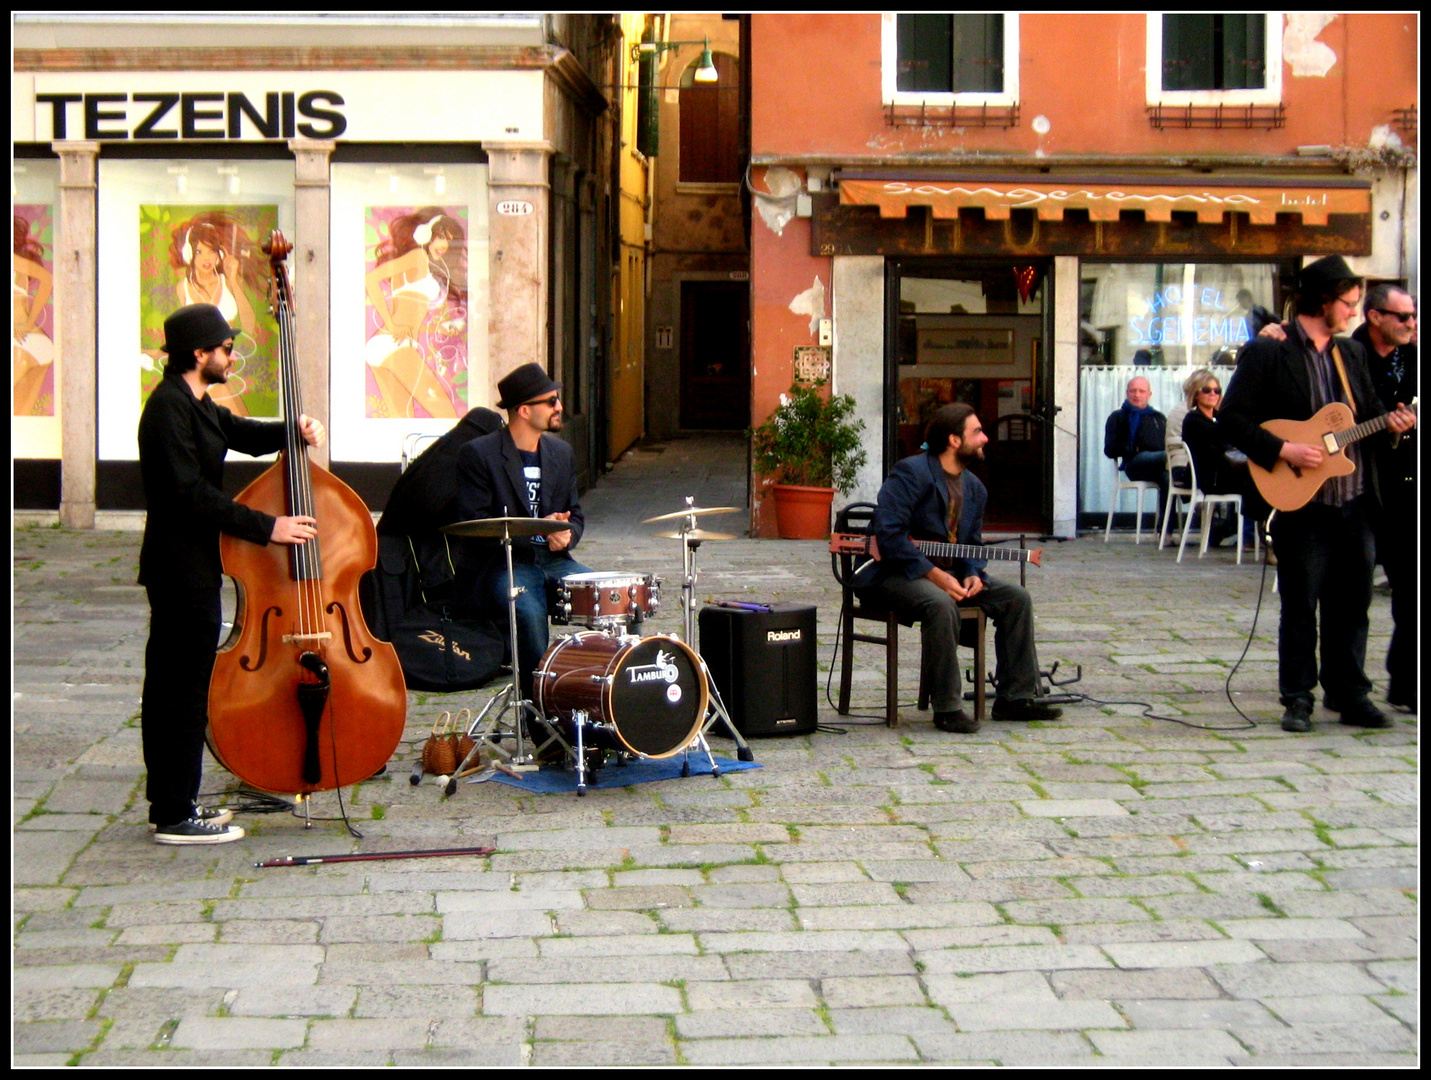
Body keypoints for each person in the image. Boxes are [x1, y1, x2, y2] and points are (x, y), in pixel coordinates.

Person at [137, 304, 325, 844]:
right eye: (224, 348)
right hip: (178, 568)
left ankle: (177, 800)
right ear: (199, 355)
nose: (230, 355)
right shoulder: (167, 409)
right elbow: (191, 495)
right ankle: (172, 813)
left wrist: (294, 428)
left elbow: (242, 432)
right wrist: (271, 527)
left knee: (188, 684)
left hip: (197, 565)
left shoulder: (198, 403)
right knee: (179, 688)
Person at [1219, 256, 1416, 733]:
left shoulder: (1349, 355)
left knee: (1353, 605)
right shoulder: (1271, 351)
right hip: (1303, 503)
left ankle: (1350, 694)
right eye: (1348, 303)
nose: (1353, 312)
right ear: (1323, 301)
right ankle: (1298, 696)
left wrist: (1392, 426)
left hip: (1357, 499)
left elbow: (1366, 415)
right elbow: (1232, 418)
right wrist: (1284, 447)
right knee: (1301, 604)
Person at [853, 402, 1062, 734]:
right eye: (977, 432)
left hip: (947, 576)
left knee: (1016, 599)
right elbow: (889, 536)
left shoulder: (975, 489)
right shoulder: (911, 472)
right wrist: (935, 575)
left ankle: (1015, 699)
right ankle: (948, 708)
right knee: (940, 602)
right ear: (953, 439)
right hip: (891, 574)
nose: (985, 439)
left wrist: (973, 573)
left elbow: (973, 545)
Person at [454, 362, 591, 697]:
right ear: (525, 410)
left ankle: (601, 702)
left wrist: (566, 533)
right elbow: (473, 524)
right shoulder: (479, 454)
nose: (560, 407)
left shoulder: (561, 452)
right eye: (551, 401)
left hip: (553, 559)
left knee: (616, 597)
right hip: (503, 563)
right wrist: (532, 529)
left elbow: (575, 514)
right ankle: (537, 710)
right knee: (528, 613)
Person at [1353, 284, 1417, 712]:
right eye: (1403, 317)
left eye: (1414, 316)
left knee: (1412, 587)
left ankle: (1407, 682)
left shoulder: (1413, 356)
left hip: (1406, 486)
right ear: (1375, 317)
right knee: (1351, 594)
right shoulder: (1345, 354)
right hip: (1356, 484)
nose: (1411, 324)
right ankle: (1347, 687)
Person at [364, 207, 467, 420]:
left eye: (449, 240)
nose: (444, 245)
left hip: (387, 346)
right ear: (427, 235)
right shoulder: (418, 256)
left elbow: (410, 311)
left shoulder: (424, 264)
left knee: (402, 422)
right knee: (446, 415)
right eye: (440, 237)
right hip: (393, 344)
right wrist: (391, 325)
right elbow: (370, 279)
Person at [1178, 372, 1263, 547]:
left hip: (1223, 474)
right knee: (1259, 483)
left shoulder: (1217, 418)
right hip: (1211, 479)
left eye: (1217, 391)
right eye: (1207, 390)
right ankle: (1251, 537)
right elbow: (1225, 442)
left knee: (1261, 479)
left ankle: (1253, 534)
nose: (1213, 394)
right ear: (1196, 392)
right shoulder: (1194, 420)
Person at [1104, 375, 1169, 524]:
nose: (1137, 395)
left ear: (1149, 394)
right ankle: (1175, 458)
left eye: (1141, 391)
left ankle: (1166, 530)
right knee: (1170, 456)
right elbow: (1109, 449)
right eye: (1133, 391)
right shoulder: (1118, 417)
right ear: (1127, 393)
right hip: (1135, 465)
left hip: (1158, 467)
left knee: (1168, 479)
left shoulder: (1158, 418)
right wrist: (1133, 449)